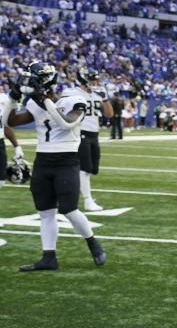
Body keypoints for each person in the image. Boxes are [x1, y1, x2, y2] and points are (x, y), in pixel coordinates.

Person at [5, 62, 107, 271]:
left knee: (69, 209)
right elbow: (8, 121)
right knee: (45, 211)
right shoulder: (34, 103)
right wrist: (12, 98)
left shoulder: (74, 100)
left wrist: (44, 100)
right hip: (43, 160)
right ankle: (48, 256)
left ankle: (93, 243)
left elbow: (66, 123)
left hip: (66, 160)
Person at [62, 67, 113, 212]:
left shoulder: (98, 94)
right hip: (79, 132)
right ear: (84, 79)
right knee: (84, 168)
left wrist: (105, 98)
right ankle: (87, 200)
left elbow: (109, 114)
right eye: (93, 79)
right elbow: (61, 111)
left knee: (92, 169)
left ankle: (73, 194)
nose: (96, 82)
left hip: (94, 133)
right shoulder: (71, 93)